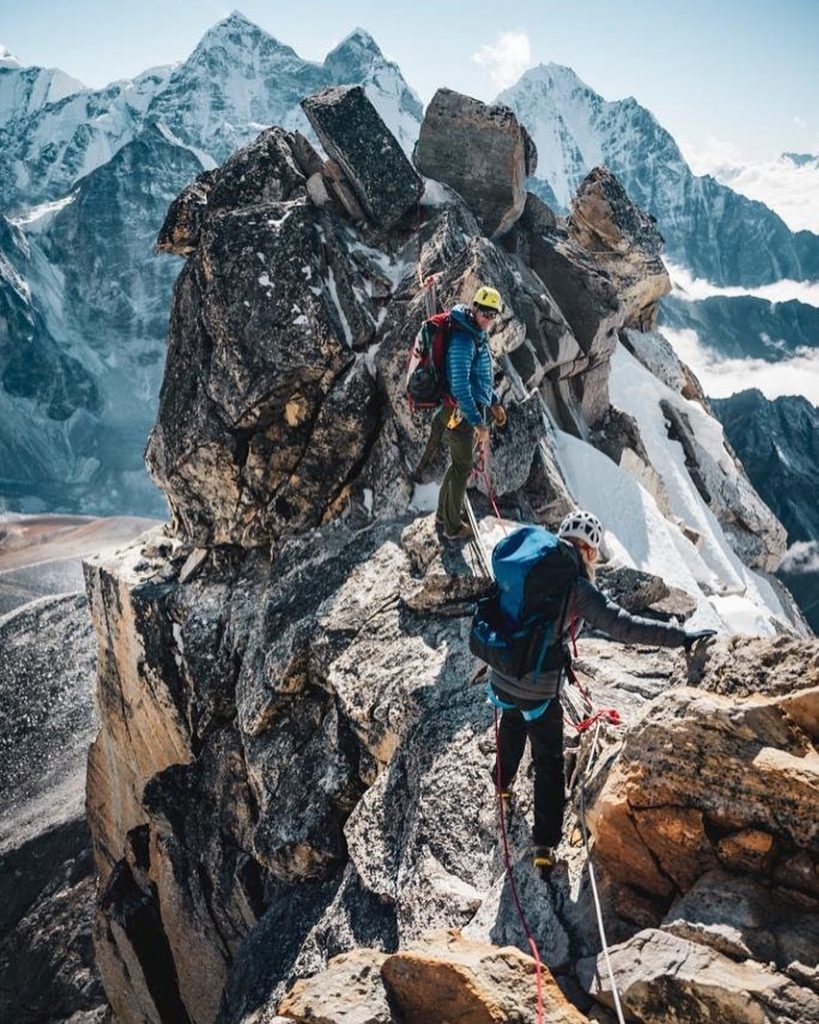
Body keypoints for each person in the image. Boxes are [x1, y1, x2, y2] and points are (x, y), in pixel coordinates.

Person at [488, 509, 717, 874]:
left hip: (500, 672)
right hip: (537, 686)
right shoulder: (577, 588)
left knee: (512, 720)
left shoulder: (527, 564)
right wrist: (679, 637)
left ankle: (501, 782)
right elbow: (624, 627)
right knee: (547, 760)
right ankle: (544, 845)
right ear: (590, 552)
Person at [435, 286, 507, 541]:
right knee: (463, 467)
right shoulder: (464, 339)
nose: (489, 318)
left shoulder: (475, 333)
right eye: (485, 312)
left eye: (493, 314)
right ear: (474, 308)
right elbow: (460, 385)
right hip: (461, 413)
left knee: (458, 465)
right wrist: (479, 422)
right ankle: (452, 527)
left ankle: (443, 515)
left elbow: (480, 378)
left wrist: (494, 401)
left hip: (468, 411)